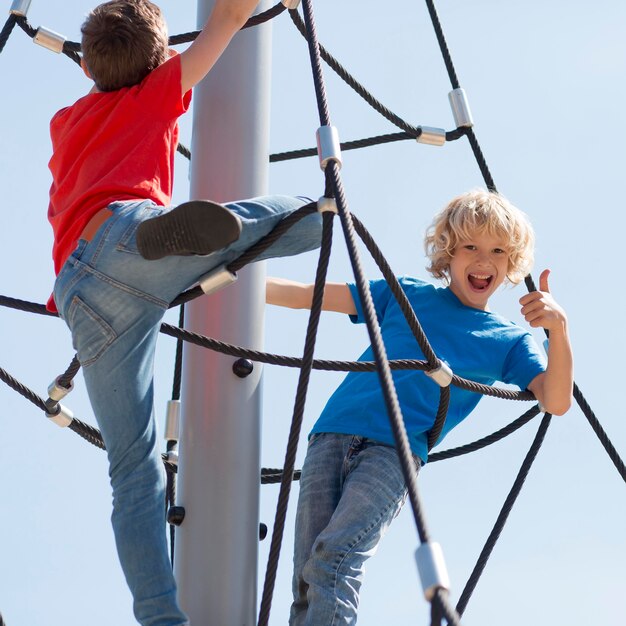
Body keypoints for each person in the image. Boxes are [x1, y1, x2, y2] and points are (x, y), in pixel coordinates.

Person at [47, 1, 322, 624]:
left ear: (88, 64)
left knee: (132, 470)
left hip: (80, 293)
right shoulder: (156, 91)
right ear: (158, 58)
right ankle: (320, 208)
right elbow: (225, 21)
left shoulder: (66, 120)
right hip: (127, 242)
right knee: (300, 218)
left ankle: (161, 618)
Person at [266, 189, 574, 625]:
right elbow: (305, 295)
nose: (484, 260)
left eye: (498, 251)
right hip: (329, 434)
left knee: (334, 559)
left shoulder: (508, 340)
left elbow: (556, 400)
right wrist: (226, 282)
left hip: (393, 452)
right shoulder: (406, 295)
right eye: (471, 246)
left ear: (510, 264)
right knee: (306, 579)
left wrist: (558, 332)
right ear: (449, 252)